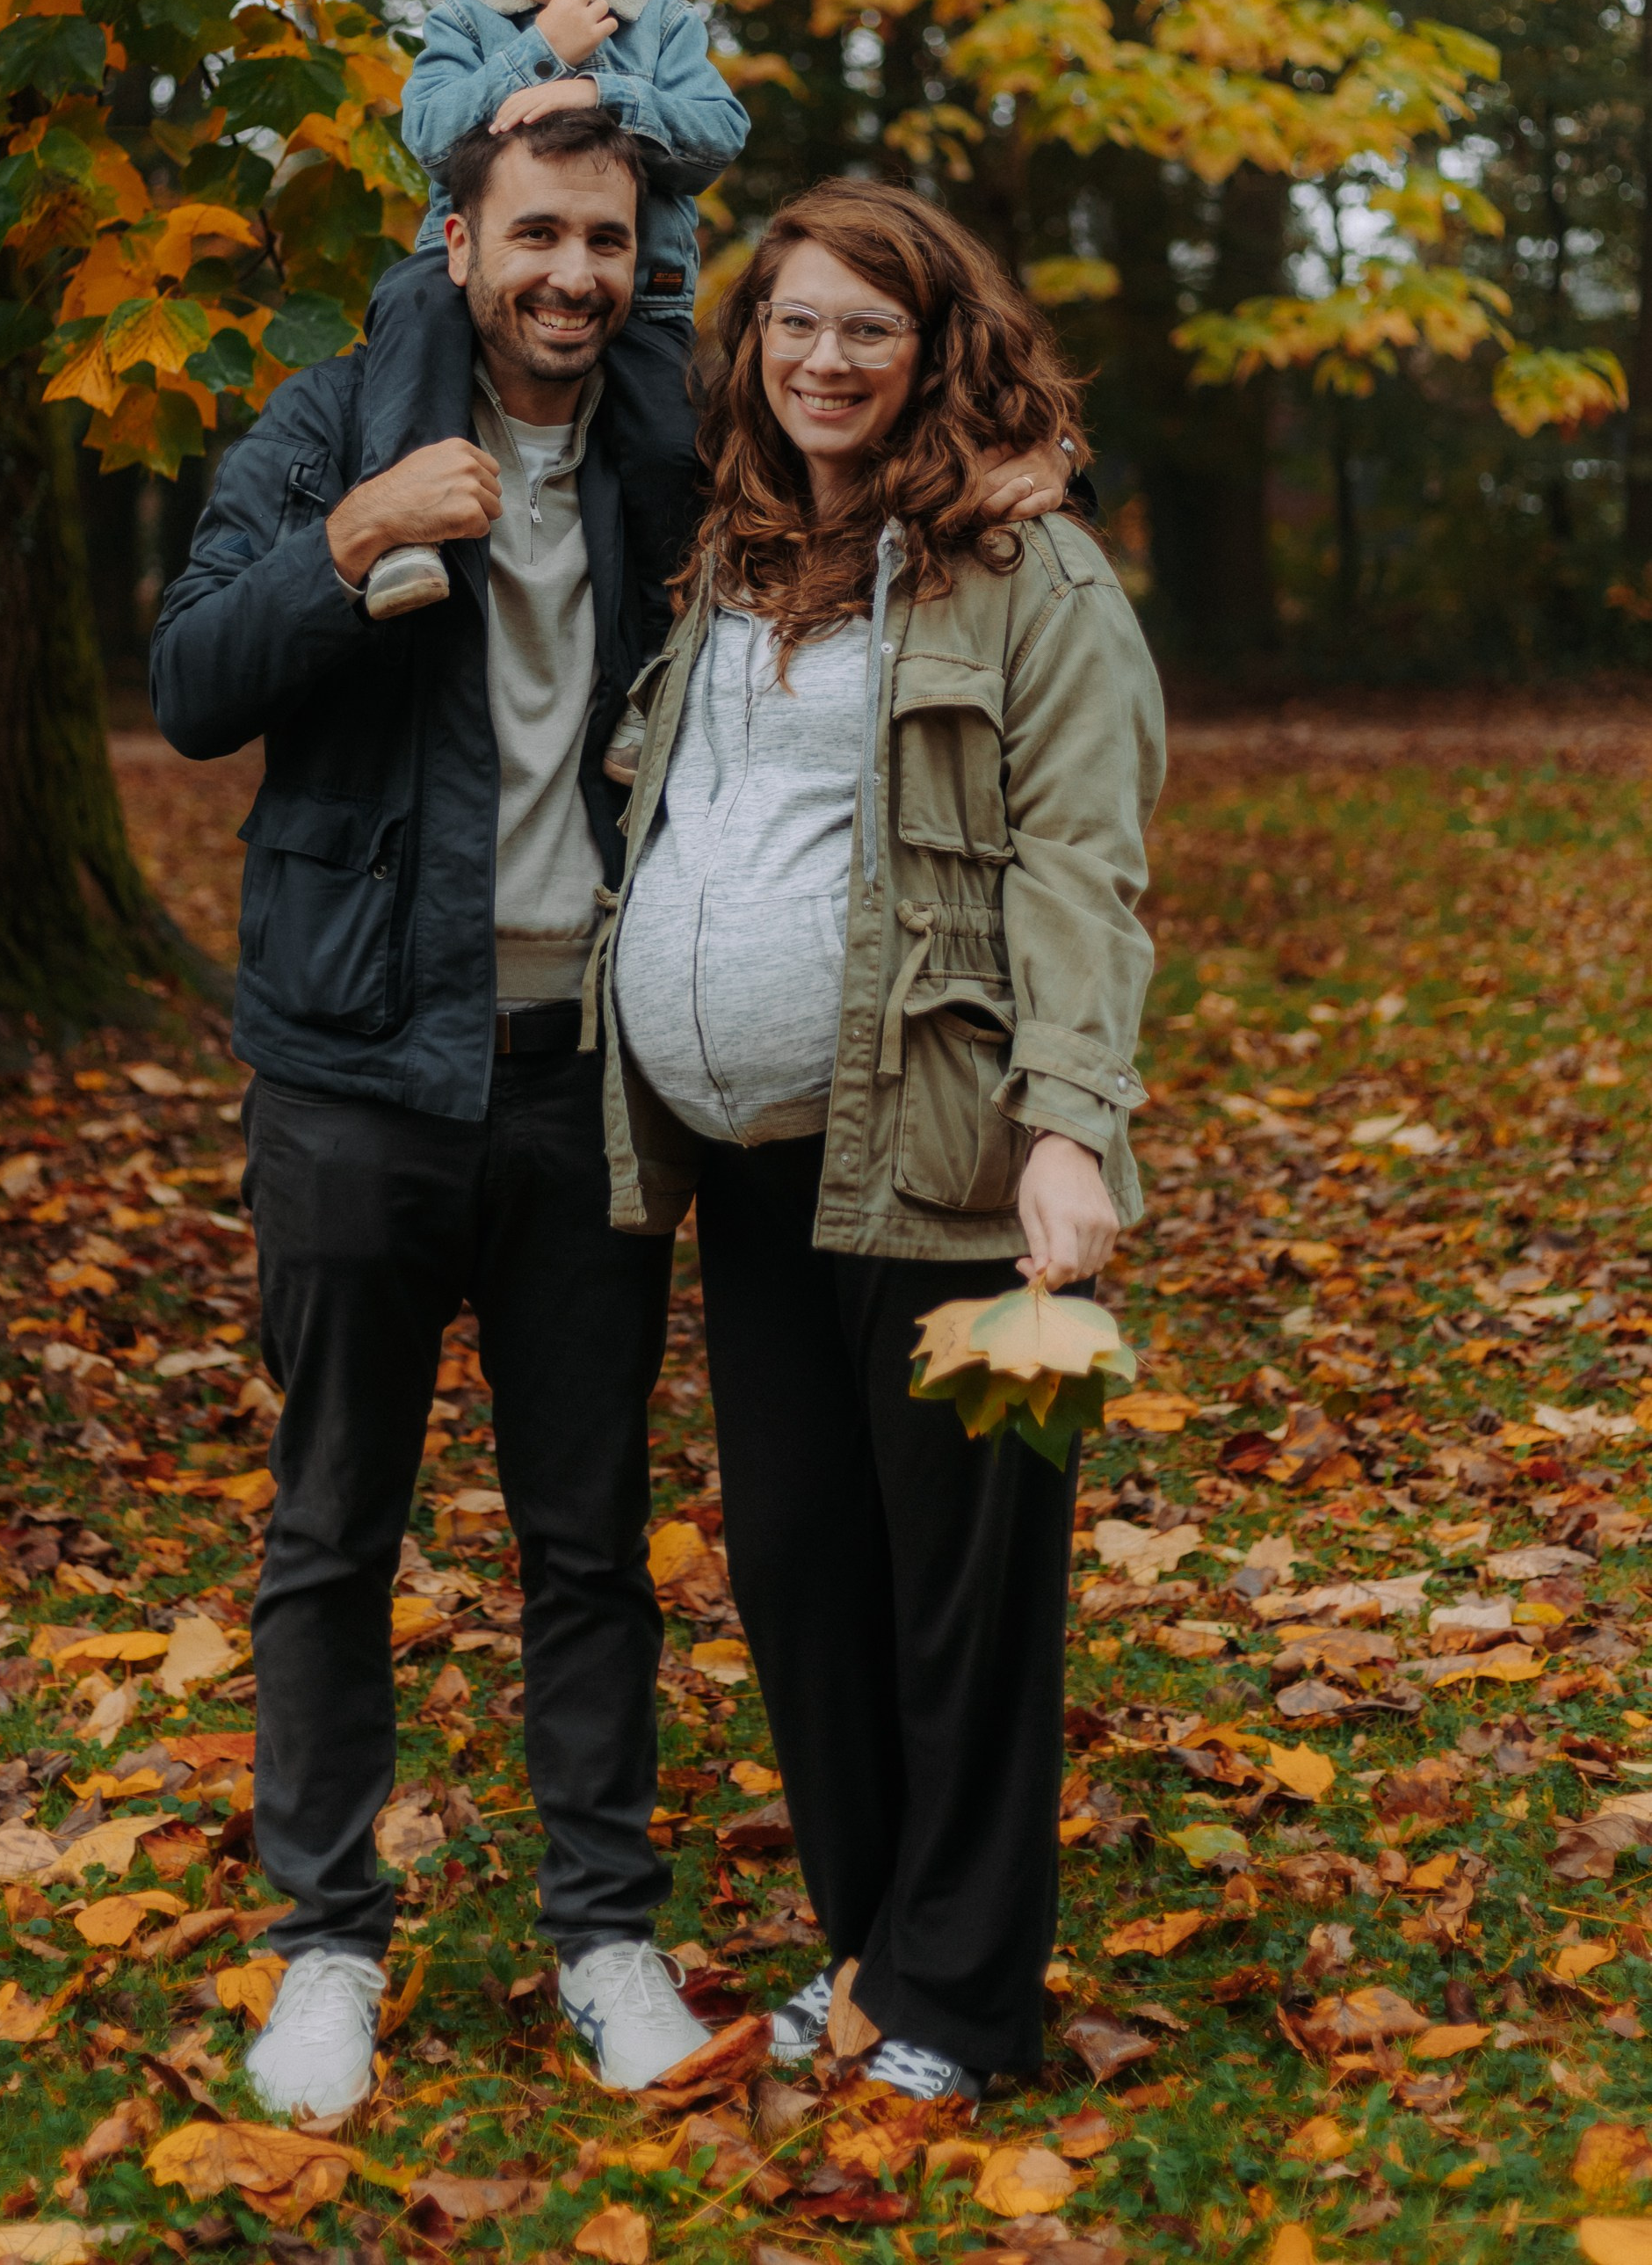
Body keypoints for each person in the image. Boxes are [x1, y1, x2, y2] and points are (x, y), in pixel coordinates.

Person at [150, 105, 722, 2119]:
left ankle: (606, 1934)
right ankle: (323, 1950)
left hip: (587, 1083)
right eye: (538, 234)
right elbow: (192, 682)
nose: (572, 274)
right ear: (459, 238)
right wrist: (355, 538)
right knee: (331, 1533)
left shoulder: (669, 457)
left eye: (607, 242)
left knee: (589, 1541)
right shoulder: (325, 426)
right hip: (354, 1077)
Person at [591, 178, 1165, 2104]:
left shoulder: (1025, 571)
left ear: (936, 348)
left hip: (943, 1160)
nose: (823, 359)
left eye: (864, 326)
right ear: (749, 348)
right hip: (757, 1173)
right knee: (799, 1573)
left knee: (962, 1602)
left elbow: (1083, 866)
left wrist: (1066, 1132)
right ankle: (870, 1956)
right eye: (792, 324)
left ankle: (961, 2007)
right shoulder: (735, 554)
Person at [377, 0, 750, 621]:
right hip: (463, 278)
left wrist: (599, 90)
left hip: (637, 299)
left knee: (664, 453)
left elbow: (718, 136)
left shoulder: (661, 24)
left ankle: (658, 661)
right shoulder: (464, 21)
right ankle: (404, 537)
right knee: (405, 331)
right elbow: (432, 138)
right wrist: (541, 47)